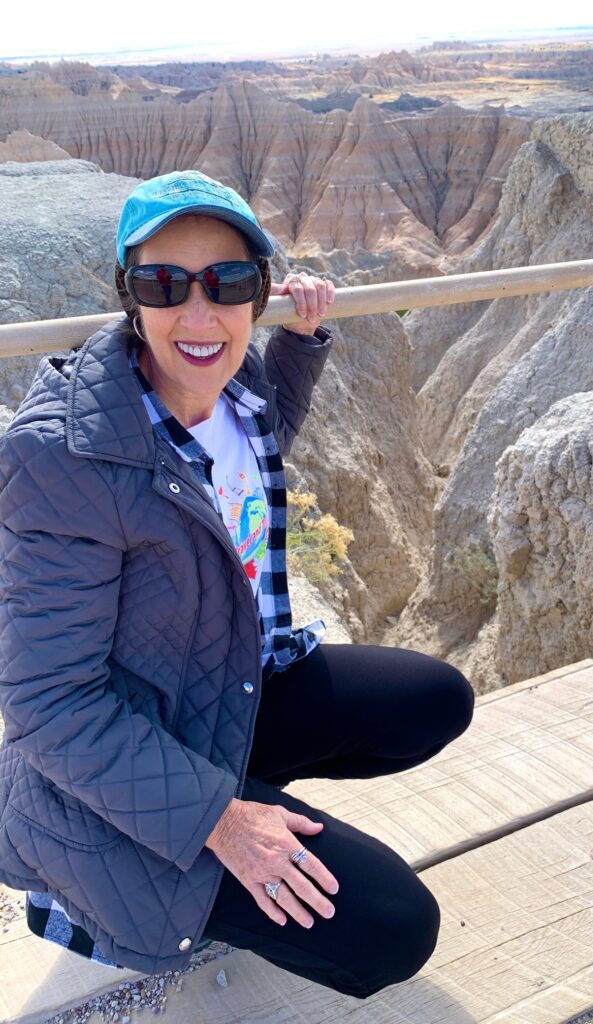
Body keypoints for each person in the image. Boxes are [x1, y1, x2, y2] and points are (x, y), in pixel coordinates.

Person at [0, 169, 475, 998]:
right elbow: (47, 703)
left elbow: (258, 447)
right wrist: (222, 821)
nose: (197, 312)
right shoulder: (62, 458)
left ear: (258, 294)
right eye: (164, 283)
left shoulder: (236, 387)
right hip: (112, 765)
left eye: (227, 283)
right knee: (397, 929)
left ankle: (244, 808)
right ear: (129, 295)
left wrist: (304, 339)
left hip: (220, 691)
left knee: (435, 700)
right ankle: (155, 876)